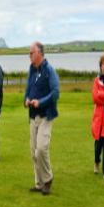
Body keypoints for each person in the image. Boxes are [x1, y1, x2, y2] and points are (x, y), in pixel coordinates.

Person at [24, 42, 60, 195]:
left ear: (39, 53)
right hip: (33, 116)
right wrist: (26, 99)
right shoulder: (32, 70)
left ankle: (48, 178)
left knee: (41, 148)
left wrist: (41, 102)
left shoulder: (49, 71)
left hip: (46, 115)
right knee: (34, 152)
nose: (29, 56)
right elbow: (28, 90)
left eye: (31, 53)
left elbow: (56, 93)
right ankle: (39, 183)